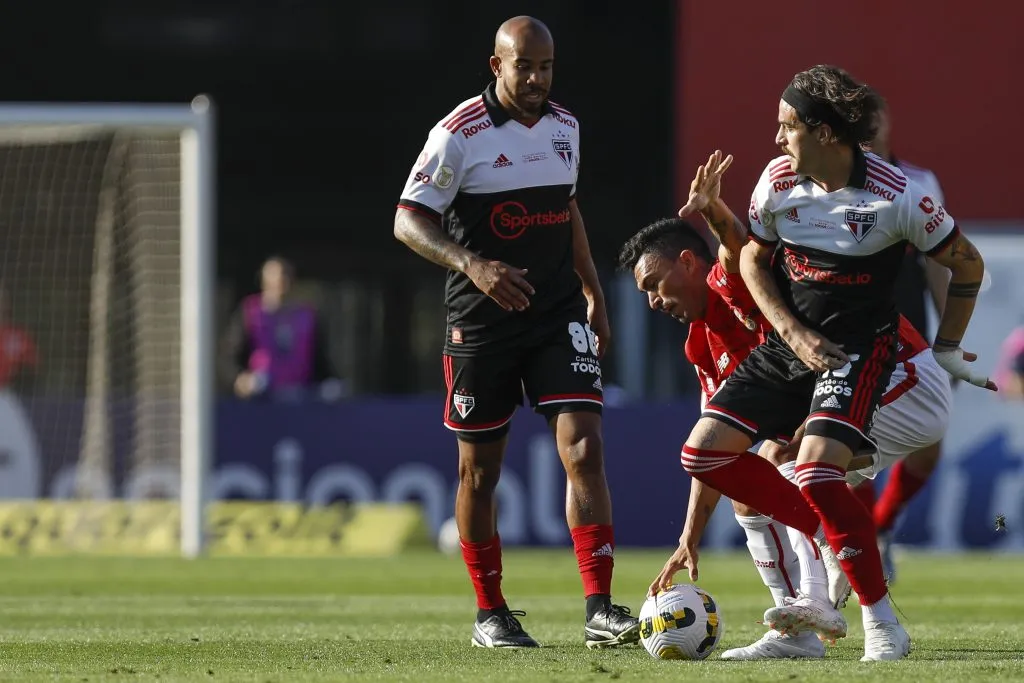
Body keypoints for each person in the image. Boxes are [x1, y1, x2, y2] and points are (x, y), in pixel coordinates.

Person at [647, 65, 993, 662]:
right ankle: (822, 546)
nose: (777, 139)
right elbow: (751, 260)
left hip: (858, 349)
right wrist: (789, 329)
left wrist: (947, 345)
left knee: (813, 468)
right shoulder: (777, 183)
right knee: (701, 452)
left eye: (787, 126)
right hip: (792, 345)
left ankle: (882, 621)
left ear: (827, 134)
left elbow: (968, 265)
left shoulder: (899, 195)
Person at [393, 16, 637, 649]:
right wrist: (472, 263)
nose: (536, 78)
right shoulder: (457, 134)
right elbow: (408, 220)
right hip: (482, 324)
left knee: (584, 448)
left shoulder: (565, 127)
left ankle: (600, 608)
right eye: (523, 65)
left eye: (546, 66)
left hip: (556, 315)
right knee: (480, 473)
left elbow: (569, 208)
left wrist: (593, 290)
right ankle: (489, 613)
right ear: (496, 63)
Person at [856, 95, 953, 581]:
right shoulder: (831, 186)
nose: (873, 127)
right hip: (854, 332)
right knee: (849, 436)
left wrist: (950, 341)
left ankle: (880, 527)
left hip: (910, 335)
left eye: (879, 116)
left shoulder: (918, 182)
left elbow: (938, 261)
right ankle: (853, 544)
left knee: (931, 443)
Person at [221, 256, 342, 401]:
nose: (280, 284)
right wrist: (240, 380)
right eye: (275, 279)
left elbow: (320, 361)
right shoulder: (250, 312)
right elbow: (228, 358)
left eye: (285, 277)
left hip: (300, 399)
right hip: (261, 401)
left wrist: (331, 383)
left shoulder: (307, 316)